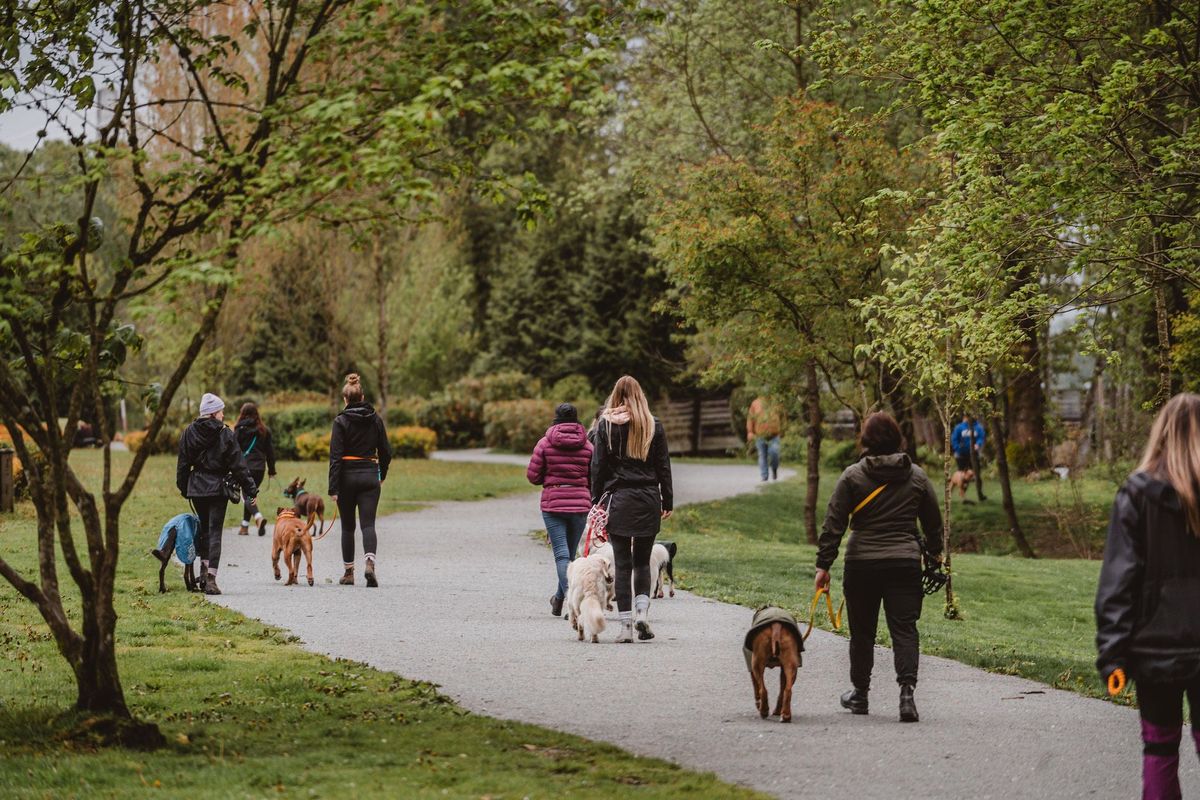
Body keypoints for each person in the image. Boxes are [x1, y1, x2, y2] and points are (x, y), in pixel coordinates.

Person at [1095, 393, 1200, 800]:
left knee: (1159, 748)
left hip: (1156, 648)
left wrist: (1113, 655)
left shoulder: (1137, 495)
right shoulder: (1137, 495)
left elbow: (1118, 582)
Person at [814, 411, 943, 722]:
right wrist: (935, 556)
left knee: (862, 633)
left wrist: (823, 565)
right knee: (904, 629)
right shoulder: (917, 477)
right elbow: (934, 525)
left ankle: (860, 695)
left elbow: (834, 524)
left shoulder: (852, 476)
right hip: (904, 563)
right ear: (898, 438)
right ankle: (907, 696)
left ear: (866, 440)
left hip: (862, 564)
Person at [590, 375, 673, 642]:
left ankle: (625, 628)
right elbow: (663, 466)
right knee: (642, 562)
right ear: (640, 395)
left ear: (615, 395)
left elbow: (598, 466)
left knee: (623, 565)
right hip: (648, 498)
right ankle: (642, 614)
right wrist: (667, 500)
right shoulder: (653, 425)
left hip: (620, 499)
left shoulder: (606, 427)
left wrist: (596, 499)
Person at [176, 392, 257, 596]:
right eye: (221, 411)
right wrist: (251, 489)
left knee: (204, 530)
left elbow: (183, 465)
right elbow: (238, 465)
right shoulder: (225, 433)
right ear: (213, 413)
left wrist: (185, 488)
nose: (223, 415)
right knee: (215, 533)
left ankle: (203, 573)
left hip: (197, 488)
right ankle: (211, 579)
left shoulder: (188, 432)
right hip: (218, 487)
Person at [527, 403, 593, 617]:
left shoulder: (545, 444)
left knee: (562, 556)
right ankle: (559, 600)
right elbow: (595, 476)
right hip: (580, 504)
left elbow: (533, 476)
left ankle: (570, 602)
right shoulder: (589, 446)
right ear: (576, 420)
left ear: (556, 419)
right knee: (569, 557)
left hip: (553, 504)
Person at [329, 373, 392, 588]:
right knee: (368, 524)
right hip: (368, 475)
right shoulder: (375, 419)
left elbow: (335, 457)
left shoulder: (340, 421)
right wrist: (381, 474)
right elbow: (386, 451)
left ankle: (348, 573)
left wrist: (333, 488)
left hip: (346, 477)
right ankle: (370, 563)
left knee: (347, 527)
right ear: (363, 396)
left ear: (345, 399)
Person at [233, 402, 277, 537]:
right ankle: (244, 527)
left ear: (242, 414)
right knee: (250, 495)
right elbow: (270, 452)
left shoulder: (239, 429)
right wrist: (271, 470)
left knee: (246, 495)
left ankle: (258, 517)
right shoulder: (264, 430)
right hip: (259, 468)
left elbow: (234, 450)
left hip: (244, 467)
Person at [950, 413, 987, 502]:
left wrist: (978, 444)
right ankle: (963, 496)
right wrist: (958, 449)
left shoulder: (978, 427)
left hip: (974, 455)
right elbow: (954, 439)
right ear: (964, 417)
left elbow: (981, 437)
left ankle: (980, 494)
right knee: (962, 475)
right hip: (961, 455)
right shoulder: (959, 427)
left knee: (976, 474)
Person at [747, 395, 784, 481]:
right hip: (760, 435)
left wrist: (782, 429)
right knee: (762, 455)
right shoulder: (755, 403)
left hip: (774, 435)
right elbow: (750, 418)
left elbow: (783, 417)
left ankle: (774, 470)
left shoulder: (776, 402)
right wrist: (750, 431)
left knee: (774, 452)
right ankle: (764, 476)